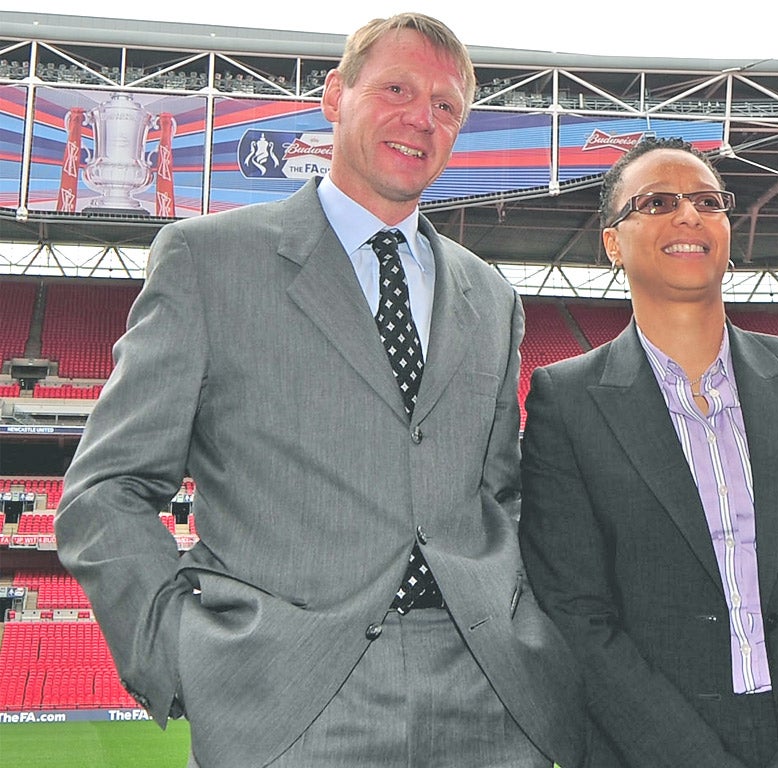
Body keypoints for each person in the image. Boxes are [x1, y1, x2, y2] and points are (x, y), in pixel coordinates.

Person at [55, 13, 584, 768]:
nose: (421, 119)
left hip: (489, 693)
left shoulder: (492, 296)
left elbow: (500, 495)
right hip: (288, 696)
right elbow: (106, 489)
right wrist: (180, 653)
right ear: (336, 95)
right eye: (397, 88)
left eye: (446, 106)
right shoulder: (209, 260)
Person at [519, 137, 778, 768]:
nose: (689, 215)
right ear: (612, 242)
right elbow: (575, 615)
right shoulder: (563, 401)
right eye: (657, 202)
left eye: (708, 200)